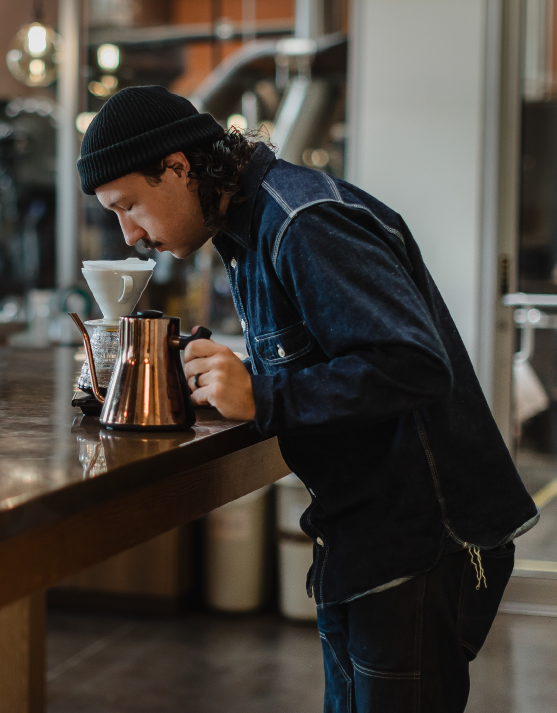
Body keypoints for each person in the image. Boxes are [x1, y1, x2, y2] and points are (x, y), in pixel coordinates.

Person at [77, 85, 539, 712]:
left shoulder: (301, 220)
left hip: (422, 540)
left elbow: (413, 365)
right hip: (362, 534)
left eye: (128, 205)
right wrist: (206, 376)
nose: (129, 233)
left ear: (178, 168)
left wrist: (262, 395)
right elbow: (323, 354)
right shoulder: (244, 231)